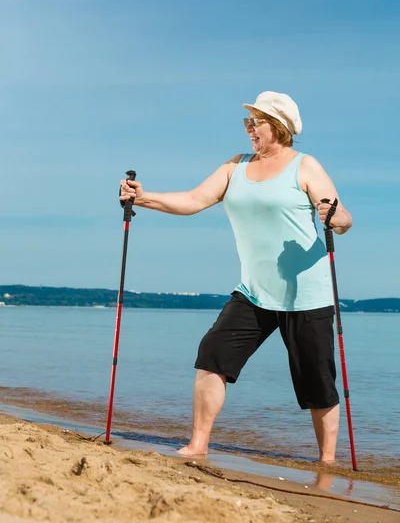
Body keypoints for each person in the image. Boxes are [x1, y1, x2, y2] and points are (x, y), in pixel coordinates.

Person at [120, 90, 352, 463]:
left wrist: (332, 216)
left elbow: (343, 219)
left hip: (306, 294)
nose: (248, 128)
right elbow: (194, 201)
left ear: (278, 127)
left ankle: (327, 464)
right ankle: (198, 446)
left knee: (317, 382)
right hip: (253, 293)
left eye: (254, 122)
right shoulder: (235, 167)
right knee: (212, 355)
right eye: (247, 122)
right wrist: (143, 198)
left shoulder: (305, 166)